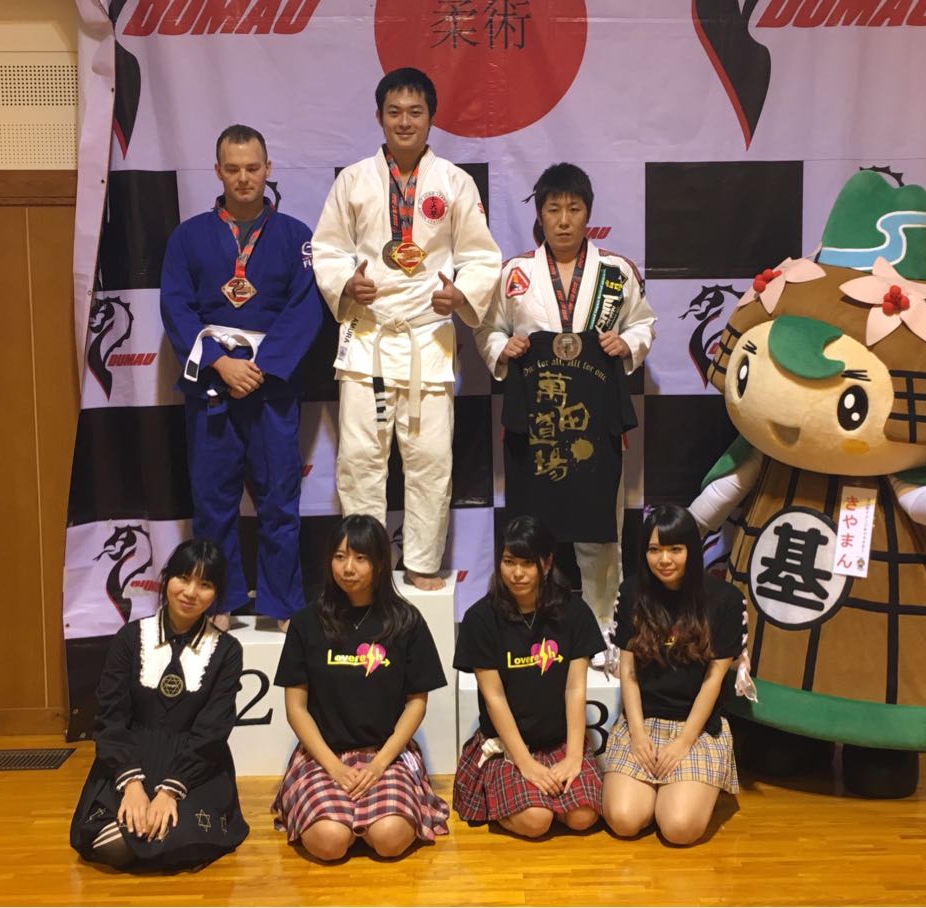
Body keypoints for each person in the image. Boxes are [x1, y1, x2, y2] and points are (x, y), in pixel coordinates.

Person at [312, 68, 502, 591]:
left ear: (431, 118)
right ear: (378, 117)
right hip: (367, 338)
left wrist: (461, 295)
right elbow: (327, 249)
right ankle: (363, 566)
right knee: (359, 461)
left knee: (430, 460)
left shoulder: (454, 182)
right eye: (394, 111)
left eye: (415, 112)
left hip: (427, 337)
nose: (404, 121)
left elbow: (482, 256)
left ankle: (421, 562)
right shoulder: (353, 180)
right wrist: (346, 284)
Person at [474, 163, 656, 629]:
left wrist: (626, 343)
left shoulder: (615, 271)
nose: (563, 220)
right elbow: (488, 329)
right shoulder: (515, 273)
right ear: (540, 215)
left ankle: (603, 629)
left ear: (588, 213)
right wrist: (502, 348)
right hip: (538, 422)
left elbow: (643, 324)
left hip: (594, 420)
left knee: (600, 532)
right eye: (553, 209)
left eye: (573, 209)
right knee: (533, 531)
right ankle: (531, 626)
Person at [161, 124, 324, 631]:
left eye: (253, 168)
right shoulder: (188, 236)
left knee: (279, 501)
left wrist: (262, 367)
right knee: (213, 502)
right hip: (212, 384)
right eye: (232, 169)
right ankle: (219, 601)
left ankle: (282, 605)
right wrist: (219, 361)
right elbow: (176, 306)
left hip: (271, 386)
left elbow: (306, 310)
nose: (244, 178)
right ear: (217, 172)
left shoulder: (296, 236)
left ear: (268, 169)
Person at [271, 515, 449, 861]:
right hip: (322, 755)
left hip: (386, 753)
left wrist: (379, 764)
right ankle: (344, 821)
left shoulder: (406, 621)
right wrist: (334, 767)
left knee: (390, 838)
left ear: (380, 563)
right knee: (329, 841)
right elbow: (296, 708)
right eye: (339, 557)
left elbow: (416, 703)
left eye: (360, 557)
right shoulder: (307, 622)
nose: (348, 568)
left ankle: (367, 821)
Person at [70, 539, 248, 870]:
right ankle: (155, 846)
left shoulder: (227, 650)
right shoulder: (130, 637)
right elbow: (110, 717)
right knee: (107, 841)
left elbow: (213, 730)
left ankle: (157, 843)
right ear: (166, 579)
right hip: (131, 756)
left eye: (205, 584)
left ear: (217, 594)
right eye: (183, 578)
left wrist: (169, 793)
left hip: (195, 764)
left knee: (173, 830)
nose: (191, 592)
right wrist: (132, 785)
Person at [452, 516, 605, 838]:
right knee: (536, 821)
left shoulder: (574, 612)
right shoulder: (480, 619)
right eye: (509, 562)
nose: (517, 573)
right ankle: (505, 798)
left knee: (583, 817)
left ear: (546, 564)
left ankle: (547, 797)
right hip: (508, 745)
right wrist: (525, 762)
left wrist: (574, 756)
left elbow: (575, 689)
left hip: (560, 740)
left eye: (527, 563)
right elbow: (494, 697)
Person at [602, 504, 744, 846]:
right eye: (654, 550)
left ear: (692, 550)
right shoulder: (632, 592)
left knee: (679, 828)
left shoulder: (725, 599)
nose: (664, 559)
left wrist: (683, 743)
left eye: (675, 549)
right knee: (623, 820)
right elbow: (628, 670)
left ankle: (685, 792)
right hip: (643, 721)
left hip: (697, 727)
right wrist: (637, 734)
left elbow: (714, 679)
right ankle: (659, 792)